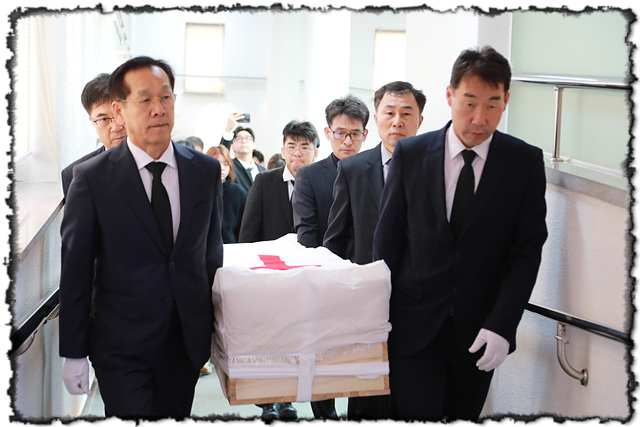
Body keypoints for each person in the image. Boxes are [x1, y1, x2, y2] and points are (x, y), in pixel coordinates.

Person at [372, 46, 548, 421]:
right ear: (450, 96)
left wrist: (502, 325)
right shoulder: (411, 154)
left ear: (506, 101)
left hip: (480, 334)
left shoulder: (524, 163)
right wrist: (377, 322)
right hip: (413, 330)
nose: (479, 118)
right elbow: (387, 244)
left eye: (492, 105)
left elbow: (525, 253)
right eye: (469, 103)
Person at [58, 56, 224, 420]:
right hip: (120, 345)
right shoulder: (92, 178)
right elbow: (76, 269)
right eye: (145, 99)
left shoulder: (205, 171)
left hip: (184, 342)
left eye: (165, 97)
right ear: (120, 110)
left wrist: (218, 330)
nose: (158, 109)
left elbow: (211, 256)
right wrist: (73, 351)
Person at [323, 81, 425, 420]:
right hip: (365, 305)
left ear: (420, 120)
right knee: (367, 400)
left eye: (406, 113)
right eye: (389, 112)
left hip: (420, 305)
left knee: (412, 397)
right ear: (376, 119)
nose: (397, 121)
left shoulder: (435, 168)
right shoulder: (353, 169)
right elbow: (336, 240)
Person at [237, 120, 318, 422]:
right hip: (268, 276)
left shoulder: (322, 181)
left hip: (307, 277)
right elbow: (248, 232)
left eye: (304, 147)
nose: (298, 153)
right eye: (292, 146)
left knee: (295, 342)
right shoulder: (265, 181)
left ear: (315, 151)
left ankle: (287, 399)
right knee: (266, 341)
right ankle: (266, 402)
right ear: (282, 150)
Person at [292, 94, 369, 251]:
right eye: (340, 133)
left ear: (365, 134)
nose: (347, 141)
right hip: (325, 261)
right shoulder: (308, 176)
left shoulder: (374, 172)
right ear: (328, 133)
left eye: (355, 134)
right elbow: (307, 235)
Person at [61, 73, 127, 198]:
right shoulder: (75, 175)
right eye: (103, 119)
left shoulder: (160, 160)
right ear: (92, 121)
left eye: (121, 115)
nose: (116, 127)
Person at [206, 145, 247, 243]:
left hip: (231, 247)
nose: (222, 168)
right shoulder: (199, 191)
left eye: (225, 164)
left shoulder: (239, 193)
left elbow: (243, 228)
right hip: (204, 248)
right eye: (217, 163)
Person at [229, 127, 266, 193]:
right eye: (239, 138)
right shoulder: (230, 168)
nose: (243, 141)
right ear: (232, 146)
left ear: (254, 145)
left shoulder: (263, 170)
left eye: (247, 138)